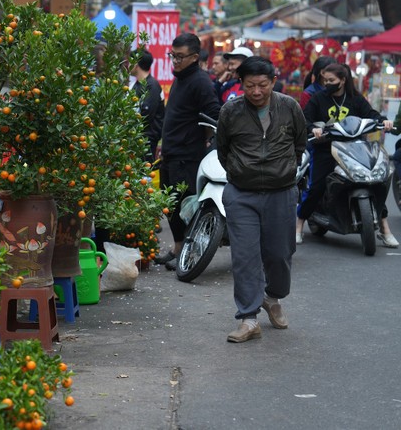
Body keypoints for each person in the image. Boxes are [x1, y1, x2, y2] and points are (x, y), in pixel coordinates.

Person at [216, 56, 307, 343]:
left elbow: (299, 144)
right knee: (244, 257)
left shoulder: (289, 107)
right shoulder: (230, 111)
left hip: (281, 192)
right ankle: (248, 317)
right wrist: (241, 171)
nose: (256, 92)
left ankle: (273, 298)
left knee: (280, 254)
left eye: (262, 85)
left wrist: (284, 171)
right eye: (250, 86)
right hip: (241, 193)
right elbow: (223, 149)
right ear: (240, 84)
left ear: (273, 82)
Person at [295, 63, 397, 246]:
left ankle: (384, 228)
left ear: (342, 80)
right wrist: (313, 129)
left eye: (331, 80)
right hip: (327, 148)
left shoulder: (355, 99)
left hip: (356, 147)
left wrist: (383, 121)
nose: (327, 83)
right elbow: (305, 118)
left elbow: (371, 114)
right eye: (325, 80)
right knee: (316, 187)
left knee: (375, 181)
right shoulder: (318, 98)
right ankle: (299, 226)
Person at [154, 33, 221, 270]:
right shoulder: (180, 78)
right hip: (171, 152)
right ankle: (178, 247)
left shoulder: (201, 82)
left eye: (180, 57)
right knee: (171, 205)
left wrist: (204, 140)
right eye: (173, 55)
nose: (175, 61)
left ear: (194, 57)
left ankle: (191, 253)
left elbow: (214, 114)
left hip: (187, 156)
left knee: (185, 205)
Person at [128, 50, 165, 162]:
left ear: (136, 64)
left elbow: (146, 115)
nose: (128, 65)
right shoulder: (135, 85)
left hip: (145, 141)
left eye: (130, 62)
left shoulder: (152, 86)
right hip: (134, 139)